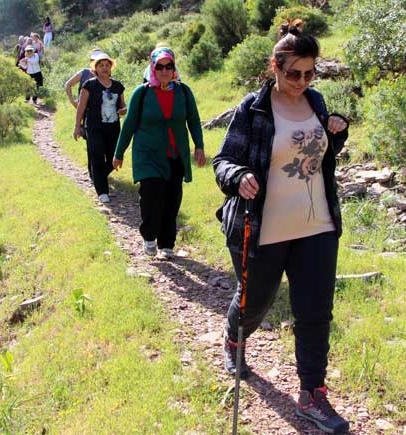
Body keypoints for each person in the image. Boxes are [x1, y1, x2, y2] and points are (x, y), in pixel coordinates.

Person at [212, 20, 350, 434]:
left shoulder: (317, 101)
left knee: (315, 312)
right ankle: (235, 337)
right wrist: (239, 177)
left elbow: (319, 155)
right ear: (275, 66)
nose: (303, 81)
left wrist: (335, 134)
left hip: (317, 225)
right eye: (294, 73)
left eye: (310, 73)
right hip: (263, 228)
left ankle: (312, 395)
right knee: (256, 302)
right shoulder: (252, 109)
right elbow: (223, 163)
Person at [113, 47, 206, 259]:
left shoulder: (184, 92)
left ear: (174, 68)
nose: (164, 70)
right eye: (160, 67)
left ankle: (166, 244)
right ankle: (149, 237)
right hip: (148, 155)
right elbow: (128, 125)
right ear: (153, 69)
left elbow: (193, 120)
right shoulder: (142, 93)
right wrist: (119, 153)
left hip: (175, 155)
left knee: (172, 200)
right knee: (151, 198)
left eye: (169, 66)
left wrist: (199, 146)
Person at [73, 52, 126, 203]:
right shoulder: (89, 85)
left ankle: (97, 176)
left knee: (112, 157)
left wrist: (124, 109)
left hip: (113, 128)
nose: (104, 68)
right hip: (94, 127)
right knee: (96, 156)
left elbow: (122, 105)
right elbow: (81, 107)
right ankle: (102, 191)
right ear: (95, 68)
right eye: (100, 65)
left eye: (107, 65)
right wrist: (78, 126)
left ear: (111, 68)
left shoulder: (118, 86)